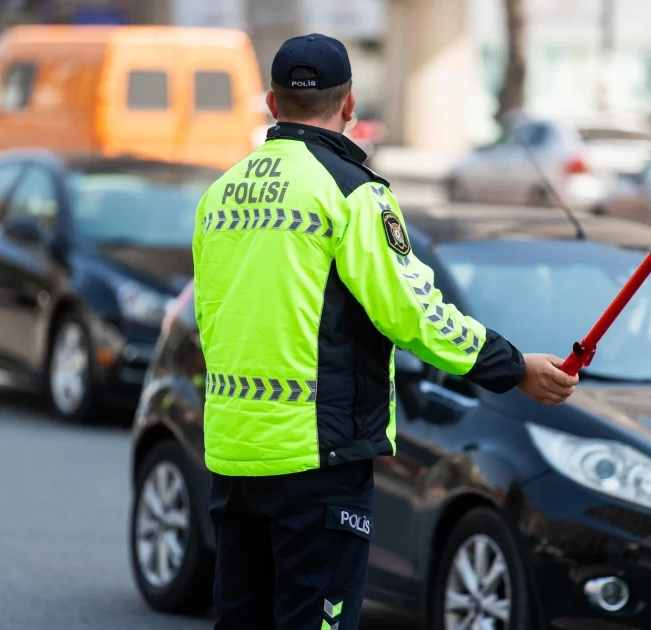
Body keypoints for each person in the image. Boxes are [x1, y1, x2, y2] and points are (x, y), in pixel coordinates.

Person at [191, 33, 579, 630]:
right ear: (350, 106)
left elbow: (212, 316)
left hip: (235, 451)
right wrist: (513, 367)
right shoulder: (353, 193)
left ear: (271, 102)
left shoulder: (219, 196)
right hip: (317, 457)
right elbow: (413, 314)